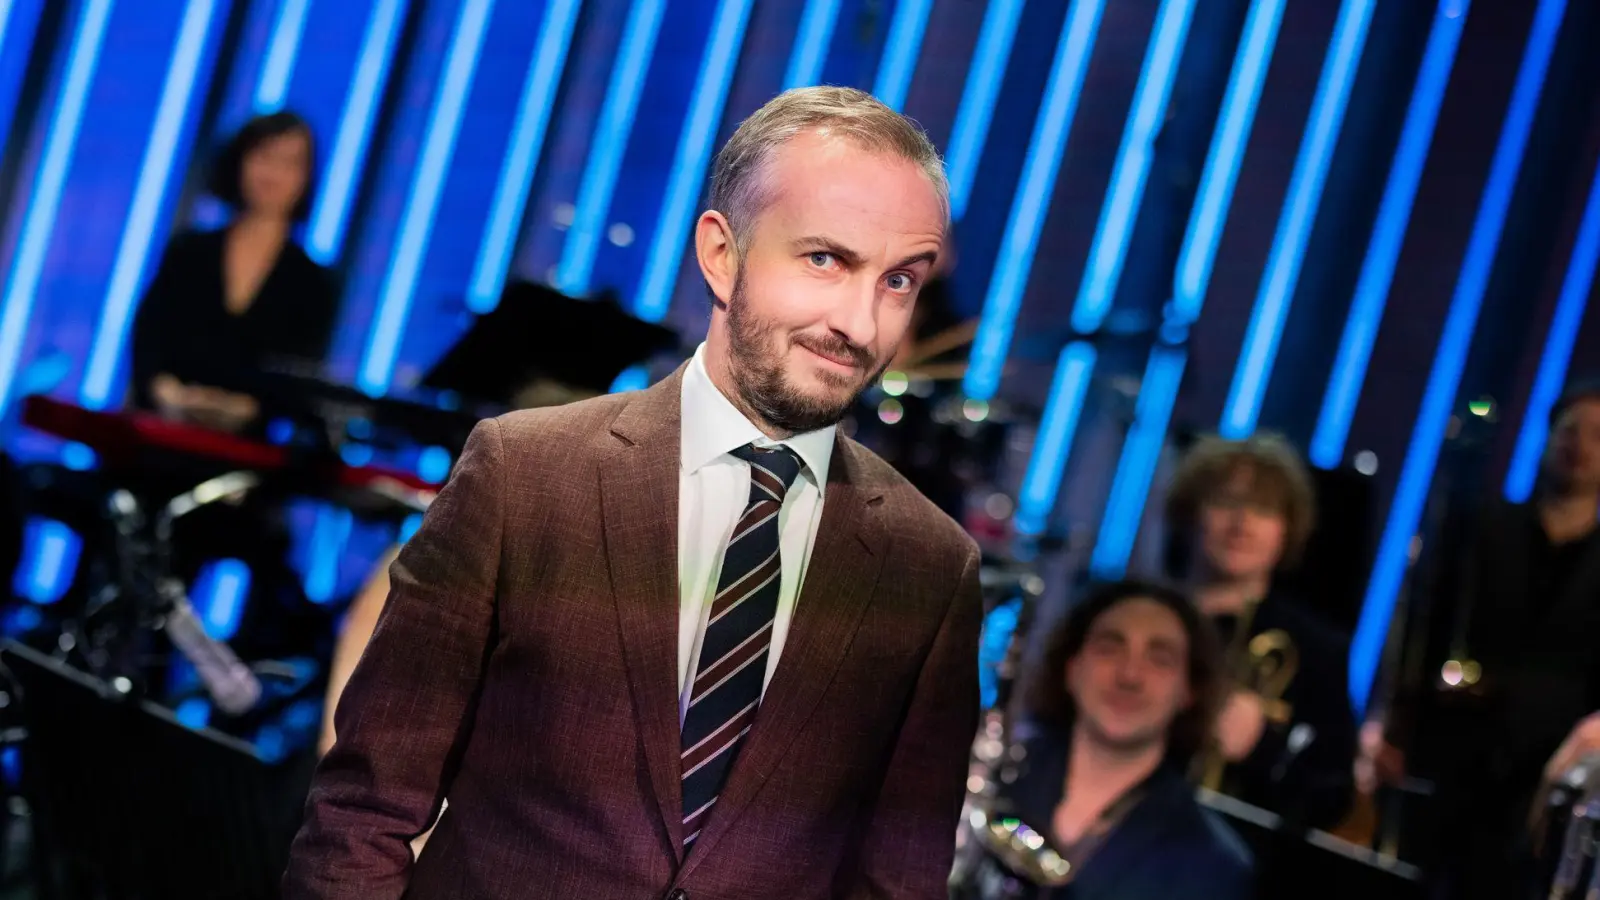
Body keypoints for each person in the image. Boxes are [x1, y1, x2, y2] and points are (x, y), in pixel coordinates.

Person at [284, 86, 981, 899]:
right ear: (722, 254)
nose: (861, 324)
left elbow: (896, 884)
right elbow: (362, 815)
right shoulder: (524, 475)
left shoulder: (930, 570)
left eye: (899, 281)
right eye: (825, 259)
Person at [1367, 382, 1600, 899]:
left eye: (1598, 436)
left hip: (1547, 772)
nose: (1580, 446)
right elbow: (1424, 628)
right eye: (1571, 431)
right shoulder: (1482, 526)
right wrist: (1393, 725)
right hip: (1452, 748)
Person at [951, 579, 1253, 899]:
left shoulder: (1212, 864)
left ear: (1189, 690)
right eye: (1110, 647)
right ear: (1071, 666)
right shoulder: (980, 774)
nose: (1129, 676)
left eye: (1159, 658)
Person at [1162, 434, 1356, 831]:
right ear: (1191, 513)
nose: (1242, 524)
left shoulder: (1319, 651)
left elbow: (1333, 800)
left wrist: (1261, 747)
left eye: (1263, 510)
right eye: (1226, 502)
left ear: (1287, 530)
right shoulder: (1140, 618)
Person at [131, 110, 338, 432]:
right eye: (265, 157)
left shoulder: (312, 282)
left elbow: (301, 379)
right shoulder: (189, 251)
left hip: (250, 452)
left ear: (307, 177)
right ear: (239, 160)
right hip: (164, 426)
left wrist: (243, 409)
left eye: (290, 163)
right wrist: (168, 393)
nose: (273, 174)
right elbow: (147, 340)